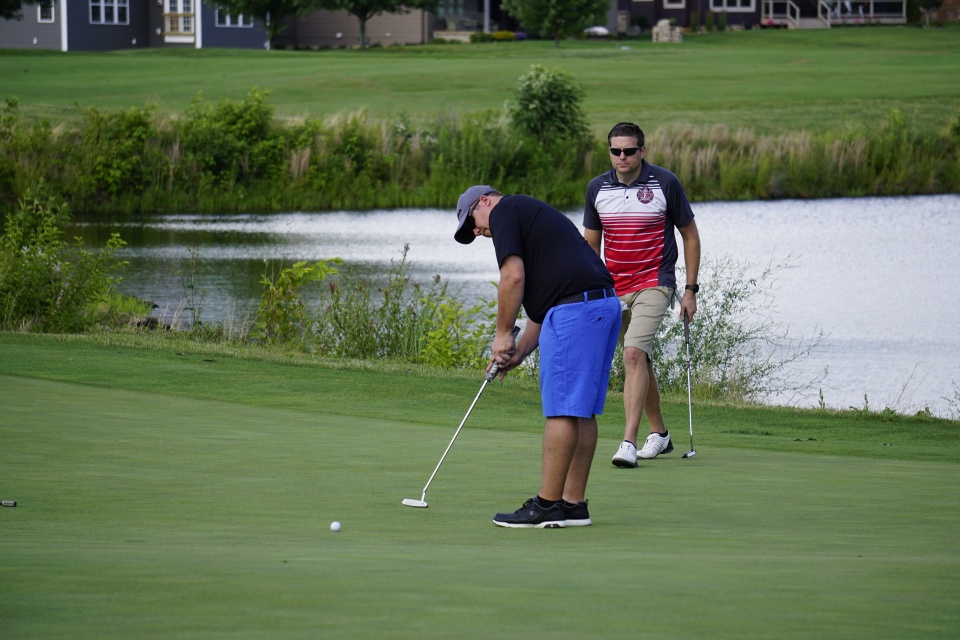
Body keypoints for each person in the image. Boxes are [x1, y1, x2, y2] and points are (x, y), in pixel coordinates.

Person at [454, 185, 621, 528]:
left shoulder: (504, 211)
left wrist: (503, 334)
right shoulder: (529, 218)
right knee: (581, 409)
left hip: (576, 311)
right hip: (600, 305)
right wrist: (518, 353)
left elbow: (512, 277)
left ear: (484, 201)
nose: (477, 232)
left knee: (562, 409)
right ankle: (573, 505)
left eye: (472, 222)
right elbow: (541, 310)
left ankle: (546, 506)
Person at [583, 122, 701, 468]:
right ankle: (660, 433)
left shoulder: (665, 182)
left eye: (629, 151)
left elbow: (690, 236)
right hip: (613, 288)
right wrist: (590, 291)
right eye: (615, 151)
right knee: (641, 360)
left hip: (655, 281)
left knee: (633, 354)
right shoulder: (597, 188)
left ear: (642, 151)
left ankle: (628, 443)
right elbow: (591, 246)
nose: (622, 157)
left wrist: (690, 290)